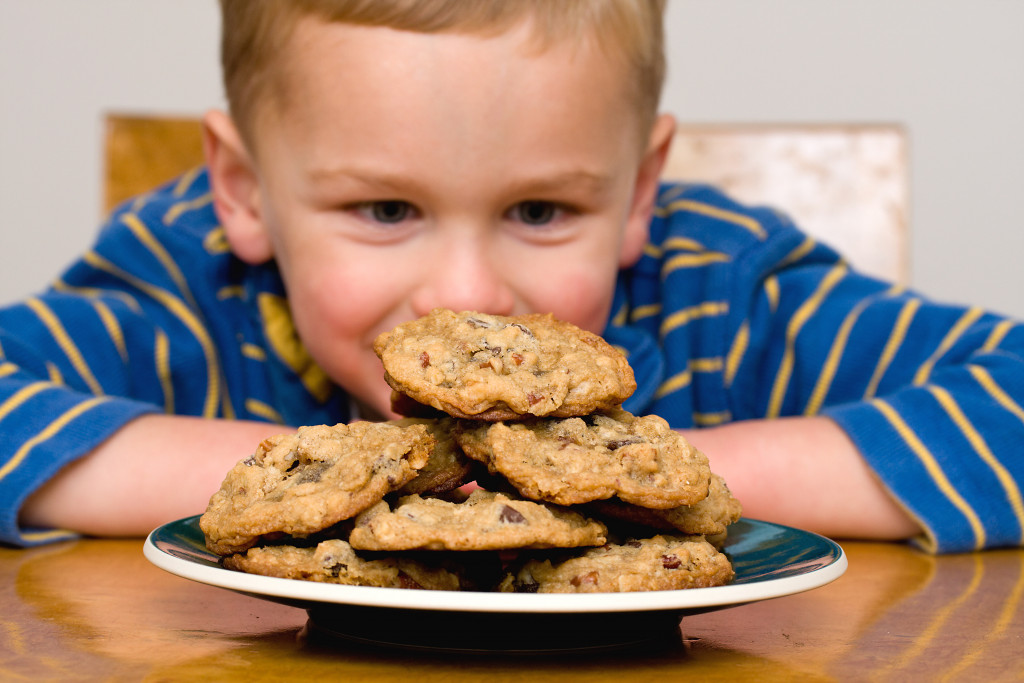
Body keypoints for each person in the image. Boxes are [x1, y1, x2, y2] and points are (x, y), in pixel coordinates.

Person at [2, 0, 1021, 553]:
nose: (467, 296)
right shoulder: (185, 290)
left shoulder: (725, 293)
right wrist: (324, 485)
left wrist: (657, 487)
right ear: (244, 192)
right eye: (385, 210)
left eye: (539, 211)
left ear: (637, 195)